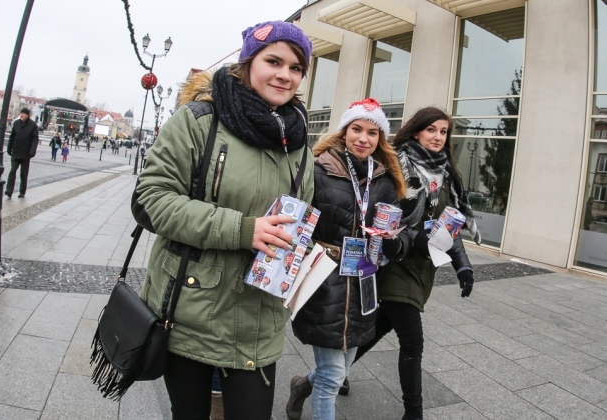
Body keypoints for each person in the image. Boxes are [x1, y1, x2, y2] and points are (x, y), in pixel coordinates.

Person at [131, 20, 314, 420]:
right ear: (248, 62)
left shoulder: (299, 141)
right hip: (191, 310)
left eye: (297, 67)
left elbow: (299, 216)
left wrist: (305, 254)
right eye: (274, 61)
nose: (285, 74)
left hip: (259, 316)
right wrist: (244, 230)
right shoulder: (199, 120)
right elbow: (151, 199)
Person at [347, 107, 481, 420]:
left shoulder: (445, 173)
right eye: (431, 129)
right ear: (417, 130)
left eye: (444, 132)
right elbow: (384, 216)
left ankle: (319, 378)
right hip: (395, 263)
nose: (438, 137)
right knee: (412, 341)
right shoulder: (397, 165)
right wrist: (418, 239)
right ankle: (414, 413)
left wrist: (463, 265)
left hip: (423, 269)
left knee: (372, 333)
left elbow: (445, 225)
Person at [286, 98, 409, 420]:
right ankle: (306, 387)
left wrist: (396, 244)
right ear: (343, 132)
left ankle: (300, 387)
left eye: (372, 132)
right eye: (356, 129)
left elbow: (399, 229)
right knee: (331, 377)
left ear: (380, 139)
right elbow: (296, 219)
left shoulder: (384, 180)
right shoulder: (317, 168)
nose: (363, 139)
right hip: (323, 280)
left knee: (338, 371)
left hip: (363, 281)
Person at [5, 108, 39, 199]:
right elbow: (12, 136)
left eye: (24, 113)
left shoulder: (33, 125)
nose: (22, 115)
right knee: (12, 171)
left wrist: (32, 152)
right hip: (16, 151)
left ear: (27, 115)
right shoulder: (16, 123)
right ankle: (9, 190)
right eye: (21, 113)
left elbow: (35, 139)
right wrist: (9, 148)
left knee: (23, 174)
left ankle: (22, 191)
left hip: (25, 153)